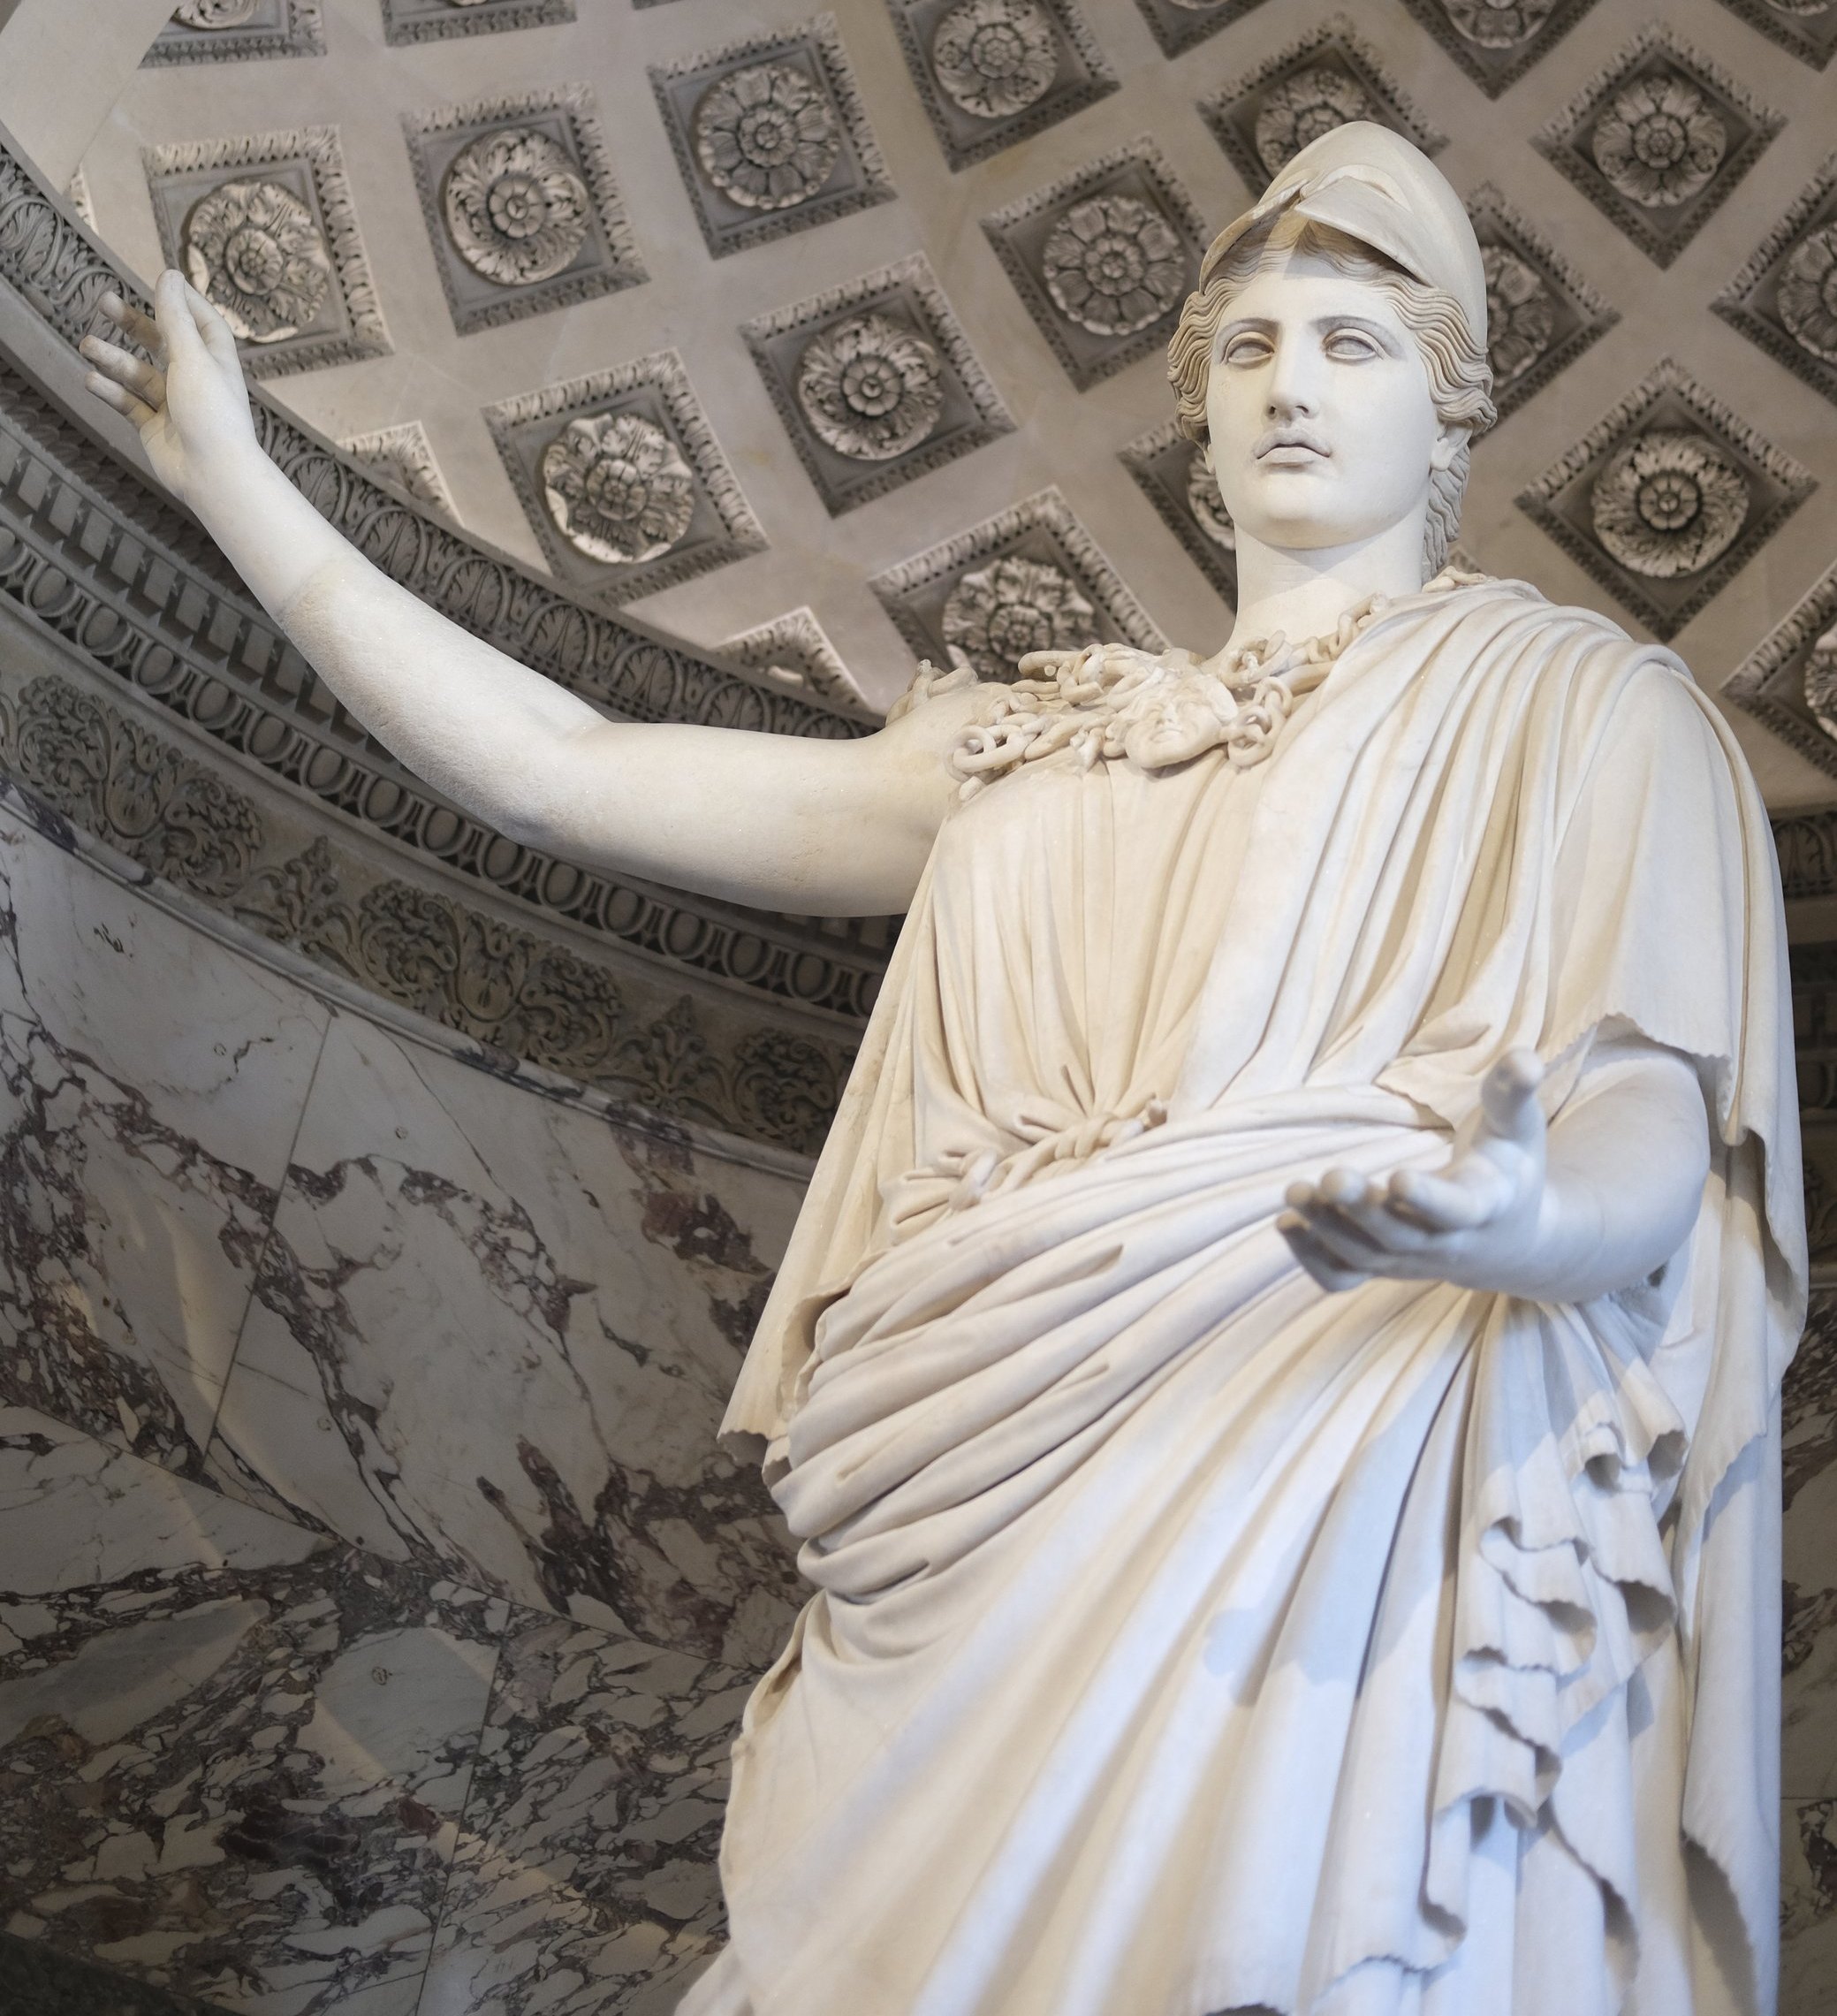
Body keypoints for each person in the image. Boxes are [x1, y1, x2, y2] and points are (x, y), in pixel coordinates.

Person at [82, 125, 1802, 2016]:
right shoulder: (1035, 742)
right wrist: (242, 489)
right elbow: (563, 770)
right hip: (986, 1461)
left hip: (1356, 1448)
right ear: (1197, 414)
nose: (1290, 386)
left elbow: (1658, 1116)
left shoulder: (1590, 713)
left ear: (1450, 410)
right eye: (1248, 347)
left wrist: (1529, 1217)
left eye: (1352, 344)